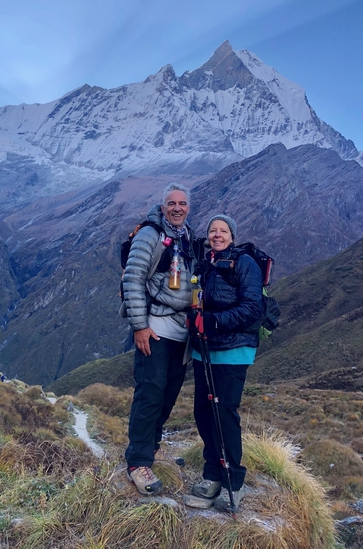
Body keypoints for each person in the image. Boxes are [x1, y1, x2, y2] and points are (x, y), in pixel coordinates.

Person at [122, 183, 197, 496]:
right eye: (171, 203)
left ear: (188, 207)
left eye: (182, 203)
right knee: (150, 394)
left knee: (167, 395)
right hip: (154, 328)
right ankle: (137, 461)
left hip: (181, 332)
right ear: (163, 206)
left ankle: (151, 449)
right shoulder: (150, 235)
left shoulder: (188, 236)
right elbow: (132, 277)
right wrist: (139, 325)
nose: (177, 208)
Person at [189, 214, 263, 511]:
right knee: (204, 411)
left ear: (232, 235)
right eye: (212, 230)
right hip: (203, 349)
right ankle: (211, 474)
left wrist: (213, 322)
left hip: (233, 350)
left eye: (222, 230)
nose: (217, 235)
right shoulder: (204, 264)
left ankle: (233, 480)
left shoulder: (244, 263)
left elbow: (252, 308)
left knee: (224, 412)